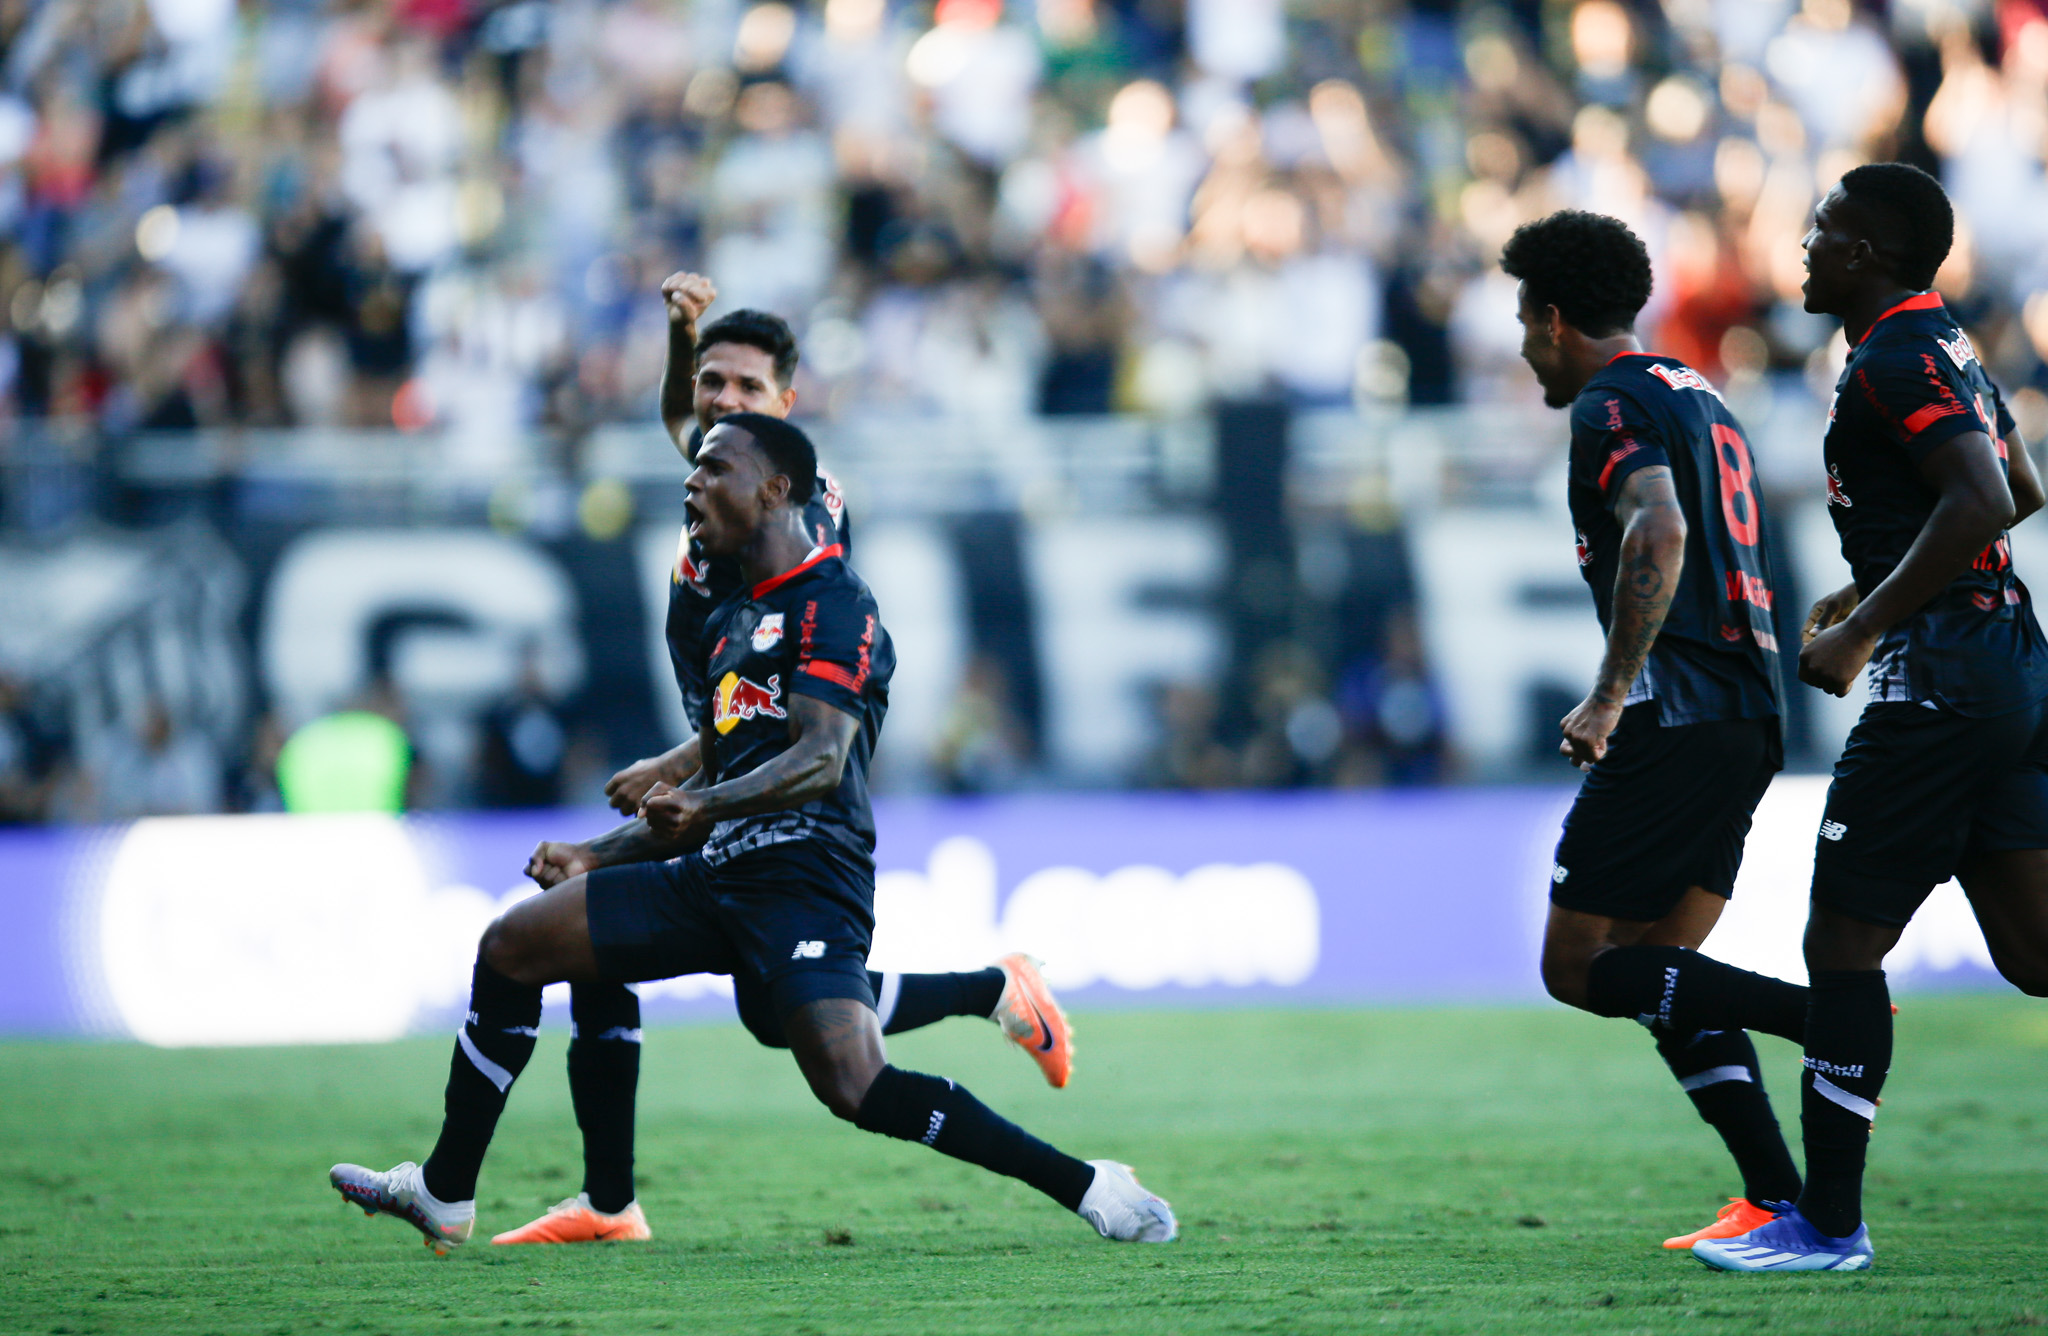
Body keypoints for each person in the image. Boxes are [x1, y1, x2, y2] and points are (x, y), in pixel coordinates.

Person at [329, 416, 1177, 1252]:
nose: (693, 482)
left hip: (808, 878)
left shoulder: (836, 604)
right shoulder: (732, 621)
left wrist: (701, 807)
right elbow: (711, 784)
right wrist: (599, 853)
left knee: (853, 1085)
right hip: (714, 877)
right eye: (694, 469)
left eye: (715, 467)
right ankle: (446, 1191)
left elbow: (819, 757)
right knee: (512, 944)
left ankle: (1086, 1183)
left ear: (775, 490)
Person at [498, 277, 1074, 1247]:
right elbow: (683, 413)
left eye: (745, 392)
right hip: (734, 750)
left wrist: (692, 766)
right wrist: (682, 336)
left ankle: (606, 1199)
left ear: (785, 415)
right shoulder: (719, 462)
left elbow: (793, 676)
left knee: (797, 1010)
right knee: (777, 1005)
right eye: (713, 390)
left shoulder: (798, 508)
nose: (721, 408)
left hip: (789, 756)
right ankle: (989, 988)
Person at [1695, 163, 2048, 1272]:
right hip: (2006, 661)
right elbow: (2016, 489)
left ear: (1869, 255)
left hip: (1938, 674)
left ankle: (1826, 1227)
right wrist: (1867, 584)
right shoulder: (1938, 341)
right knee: (2038, 955)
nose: (1803, 246)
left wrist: (1861, 627)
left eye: (1822, 231)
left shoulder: (1894, 359)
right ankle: (1823, 1222)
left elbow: (1987, 501)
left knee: (1839, 943)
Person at [1502, 210, 1811, 1253]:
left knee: (1579, 965)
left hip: (1673, 712)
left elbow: (1662, 525)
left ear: (1551, 317)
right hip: (1750, 710)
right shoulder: (1699, 393)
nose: (1518, 343)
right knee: (1660, 970)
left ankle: (1824, 1022)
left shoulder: (1606, 404)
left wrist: (1607, 691)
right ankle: (1775, 1197)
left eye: (1521, 319)